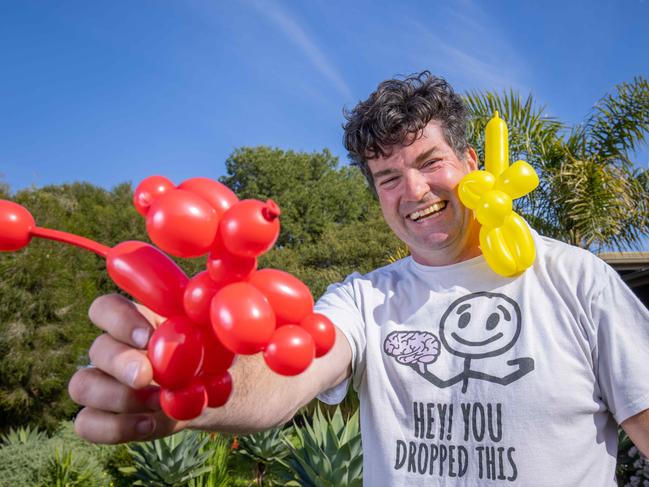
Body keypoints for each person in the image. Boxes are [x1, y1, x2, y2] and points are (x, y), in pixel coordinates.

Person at [69, 72, 649, 486]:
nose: (415, 192)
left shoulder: (578, 281)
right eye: (388, 177)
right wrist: (193, 374)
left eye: (429, 162)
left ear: (472, 162)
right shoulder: (366, 299)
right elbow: (282, 375)